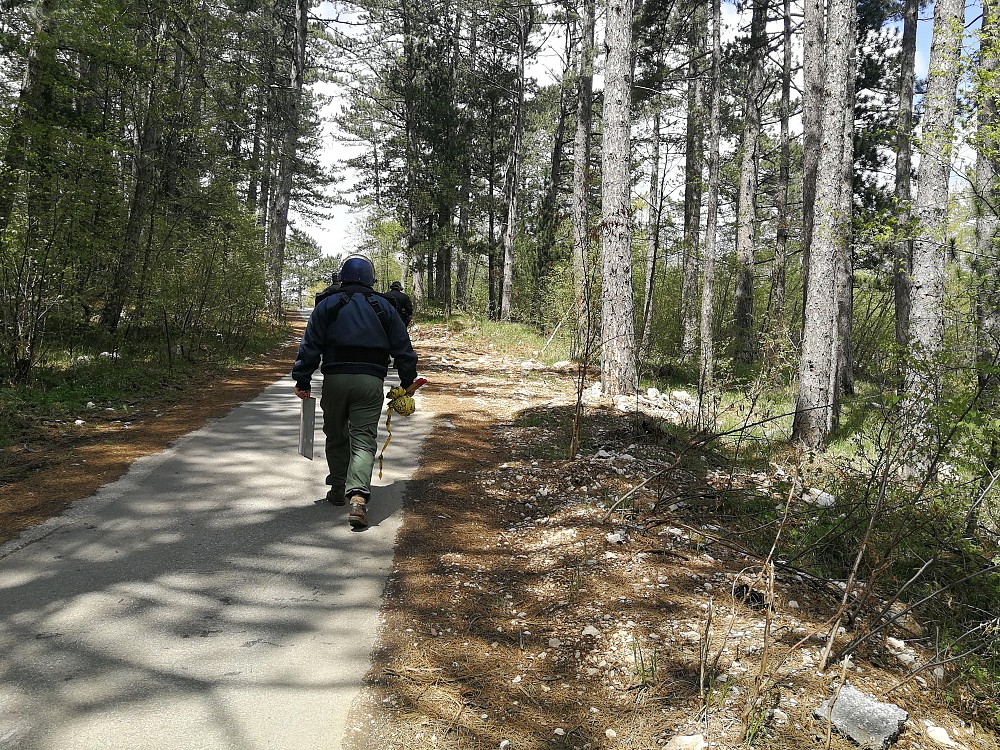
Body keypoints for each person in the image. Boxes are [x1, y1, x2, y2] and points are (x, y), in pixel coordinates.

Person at [292, 256, 419, 529]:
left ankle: (338, 488)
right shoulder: (384, 306)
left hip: (335, 379)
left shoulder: (327, 304)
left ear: (343, 277)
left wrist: (302, 379)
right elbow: (403, 347)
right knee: (363, 437)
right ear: (372, 279)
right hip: (370, 381)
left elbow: (310, 345)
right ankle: (359, 497)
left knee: (336, 433)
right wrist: (408, 381)